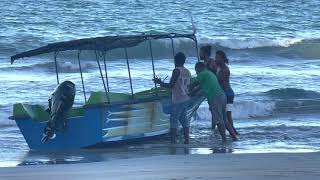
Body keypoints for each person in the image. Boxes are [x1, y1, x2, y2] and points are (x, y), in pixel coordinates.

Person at [189, 62, 238, 143]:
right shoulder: (209, 73)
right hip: (222, 95)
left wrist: (188, 92)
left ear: (199, 68)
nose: (196, 73)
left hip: (215, 98)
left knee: (218, 120)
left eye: (196, 70)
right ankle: (234, 137)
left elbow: (194, 84)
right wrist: (192, 93)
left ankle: (224, 140)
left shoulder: (202, 74)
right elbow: (201, 86)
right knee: (225, 119)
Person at [153, 52, 191, 144]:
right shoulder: (187, 71)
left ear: (176, 60)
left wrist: (159, 82)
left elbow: (170, 85)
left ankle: (173, 141)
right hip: (185, 97)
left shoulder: (176, 71)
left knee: (173, 120)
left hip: (178, 99)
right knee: (183, 120)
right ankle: (186, 140)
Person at [215, 50, 239, 135]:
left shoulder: (225, 69)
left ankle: (233, 132)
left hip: (228, 93)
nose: (215, 59)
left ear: (222, 58)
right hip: (224, 93)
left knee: (227, 115)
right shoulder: (218, 67)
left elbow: (218, 80)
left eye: (217, 57)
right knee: (225, 115)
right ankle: (232, 131)